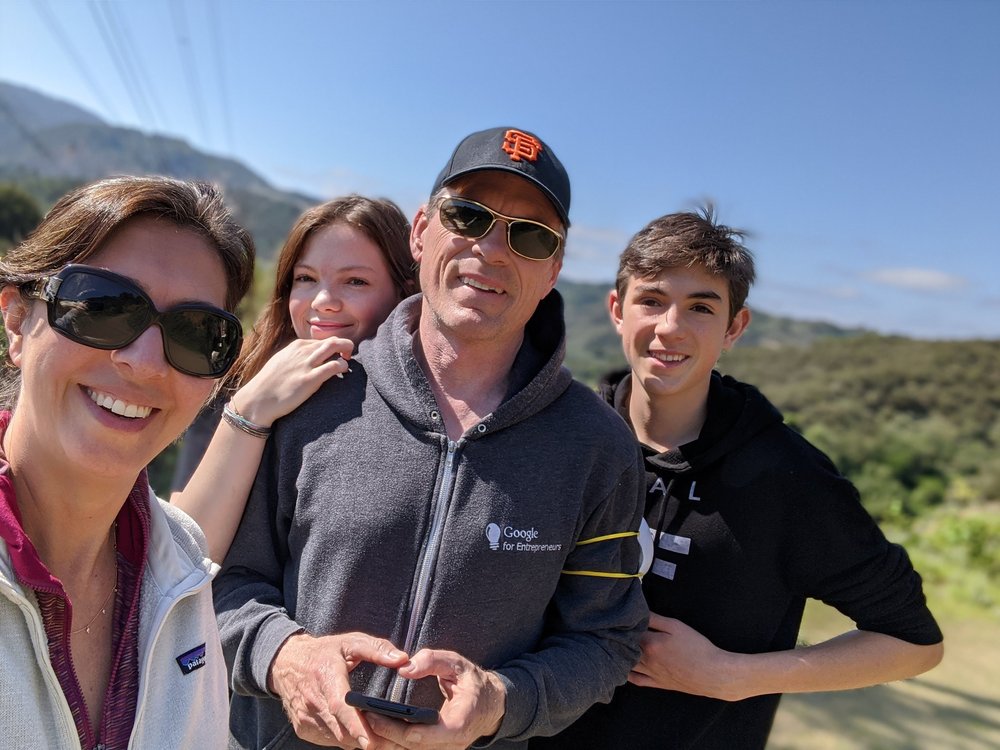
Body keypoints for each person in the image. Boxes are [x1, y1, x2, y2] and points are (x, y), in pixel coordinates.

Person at [214, 127, 649, 750]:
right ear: (422, 232)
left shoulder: (598, 448)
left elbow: (605, 641)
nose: (492, 249)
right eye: (468, 216)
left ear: (553, 268)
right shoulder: (309, 395)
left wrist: (501, 700)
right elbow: (219, 581)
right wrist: (286, 658)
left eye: (530, 236)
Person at [532, 208, 944, 750]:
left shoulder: (787, 478)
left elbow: (913, 642)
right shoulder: (559, 439)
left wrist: (731, 675)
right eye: (651, 299)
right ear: (617, 309)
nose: (670, 327)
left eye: (700, 307)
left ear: (735, 327)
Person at [0, 176, 255, 749]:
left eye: (195, 334)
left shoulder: (185, 565)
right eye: (104, 306)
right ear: (18, 321)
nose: (144, 362)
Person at [171, 195, 416, 562]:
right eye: (306, 278)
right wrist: (251, 409)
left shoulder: (419, 411)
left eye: (355, 281)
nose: (323, 301)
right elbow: (182, 554)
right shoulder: (238, 379)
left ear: (404, 292)